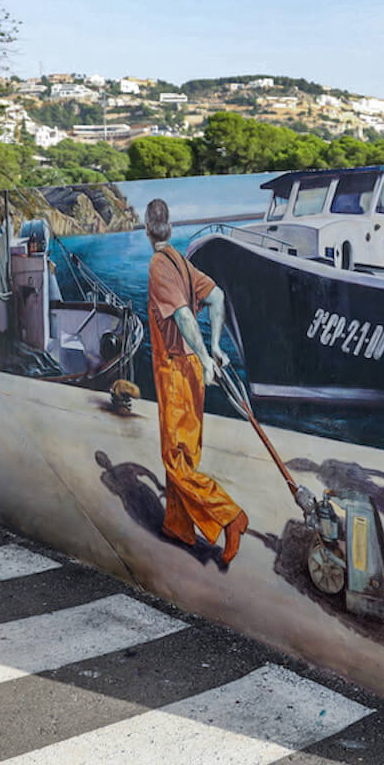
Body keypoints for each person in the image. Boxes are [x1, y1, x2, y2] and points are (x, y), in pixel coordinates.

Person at [144, 198, 249, 565]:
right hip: (190, 371)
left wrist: (207, 357)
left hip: (176, 369)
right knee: (184, 451)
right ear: (169, 228)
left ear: (146, 229)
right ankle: (178, 526)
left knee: (176, 461)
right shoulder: (184, 265)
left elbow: (185, 318)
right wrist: (217, 346)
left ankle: (230, 516)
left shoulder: (159, 265)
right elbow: (217, 297)